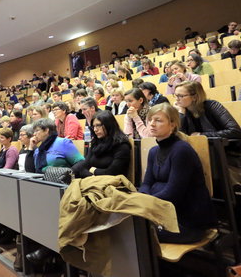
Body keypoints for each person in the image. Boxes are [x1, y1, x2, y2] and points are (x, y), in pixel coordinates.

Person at [139, 103, 216, 243]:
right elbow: (146, 183)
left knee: (136, 233)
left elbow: (173, 192)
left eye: (158, 120)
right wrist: (142, 201)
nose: (152, 124)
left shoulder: (181, 150)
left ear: (173, 124)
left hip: (188, 222)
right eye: (150, 120)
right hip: (165, 214)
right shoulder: (153, 151)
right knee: (131, 228)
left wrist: (145, 206)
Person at [71, 111, 131, 178]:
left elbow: (112, 173)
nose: (95, 129)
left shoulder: (122, 145)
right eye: (94, 126)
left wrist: (92, 170)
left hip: (112, 185)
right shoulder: (96, 142)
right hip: (94, 182)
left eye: (98, 125)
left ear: (108, 125)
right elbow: (85, 165)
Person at [174, 81, 241, 139]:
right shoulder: (182, 111)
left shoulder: (212, 106)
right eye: (176, 95)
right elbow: (181, 138)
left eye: (180, 96)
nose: (177, 99)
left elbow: (235, 131)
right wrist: (181, 114)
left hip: (225, 149)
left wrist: (202, 135)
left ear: (194, 97)